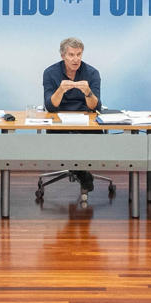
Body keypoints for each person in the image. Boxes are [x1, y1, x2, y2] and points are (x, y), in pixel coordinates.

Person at [43, 37, 103, 203]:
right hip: (59, 120)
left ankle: (80, 172)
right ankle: (83, 174)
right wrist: (61, 90)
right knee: (65, 139)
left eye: (79, 54)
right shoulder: (50, 73)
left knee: (82, 139)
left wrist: (88, 92)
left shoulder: (92, 73)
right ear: (63, 56)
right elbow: (50, 106)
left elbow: (94, 107)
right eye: (71, 55)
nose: (76, 59)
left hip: (86, 120)